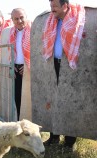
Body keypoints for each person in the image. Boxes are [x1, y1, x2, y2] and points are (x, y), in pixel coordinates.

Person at [42, 0, 86, 149]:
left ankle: (69, 142)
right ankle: (54, 137)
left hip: (70, 67)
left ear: (65, 6)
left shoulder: (77, 20)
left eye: (54, 6)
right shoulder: (51, 22)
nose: (51, 9)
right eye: (50, 5)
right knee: (54, 100)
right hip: (54, 64)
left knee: (69, 102)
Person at [8, 8, 32, 121]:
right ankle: (19, 122)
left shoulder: (33, 30)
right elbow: (10, 52)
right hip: (16, 69)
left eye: (21, 17)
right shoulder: (12, 33)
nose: (19, 20)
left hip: (29, 69)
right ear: (12, 20)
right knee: (17, 98)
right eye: (16, 18)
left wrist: (28, 68)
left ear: (26, 16)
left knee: (29, 99)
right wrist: (12, 66)